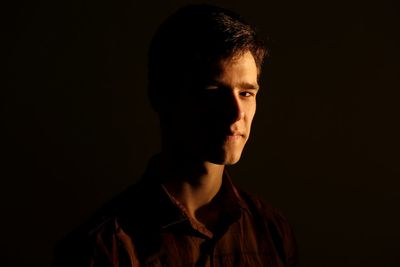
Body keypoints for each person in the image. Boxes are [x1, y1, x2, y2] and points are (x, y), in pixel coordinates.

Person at [54, 4, 298, 267]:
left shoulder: (270, 230)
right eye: (213, 91)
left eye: (247, 93)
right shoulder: (104, 246)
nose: (236, 113)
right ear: (161, 96)